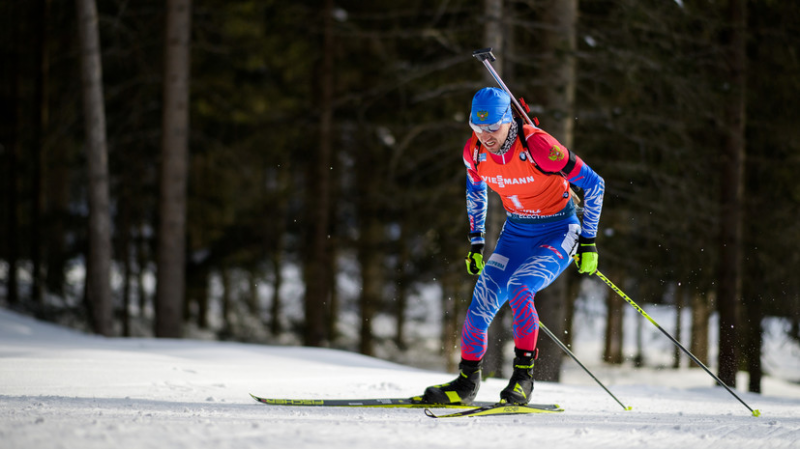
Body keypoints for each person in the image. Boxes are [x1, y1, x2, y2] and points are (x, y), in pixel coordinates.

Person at [422, 87, 605, 405]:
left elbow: (594, 183)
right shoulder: (474, 152)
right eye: (478, 128)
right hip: (516, 233)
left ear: (508, 120)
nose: (486, 136)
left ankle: (523, 379)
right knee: (482, 299)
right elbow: (476, 194)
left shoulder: (539, 145)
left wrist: (588, 242)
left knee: (521, 286)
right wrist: (476, 243)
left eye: (493, 127)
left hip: (559, 230)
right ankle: (466, 382)